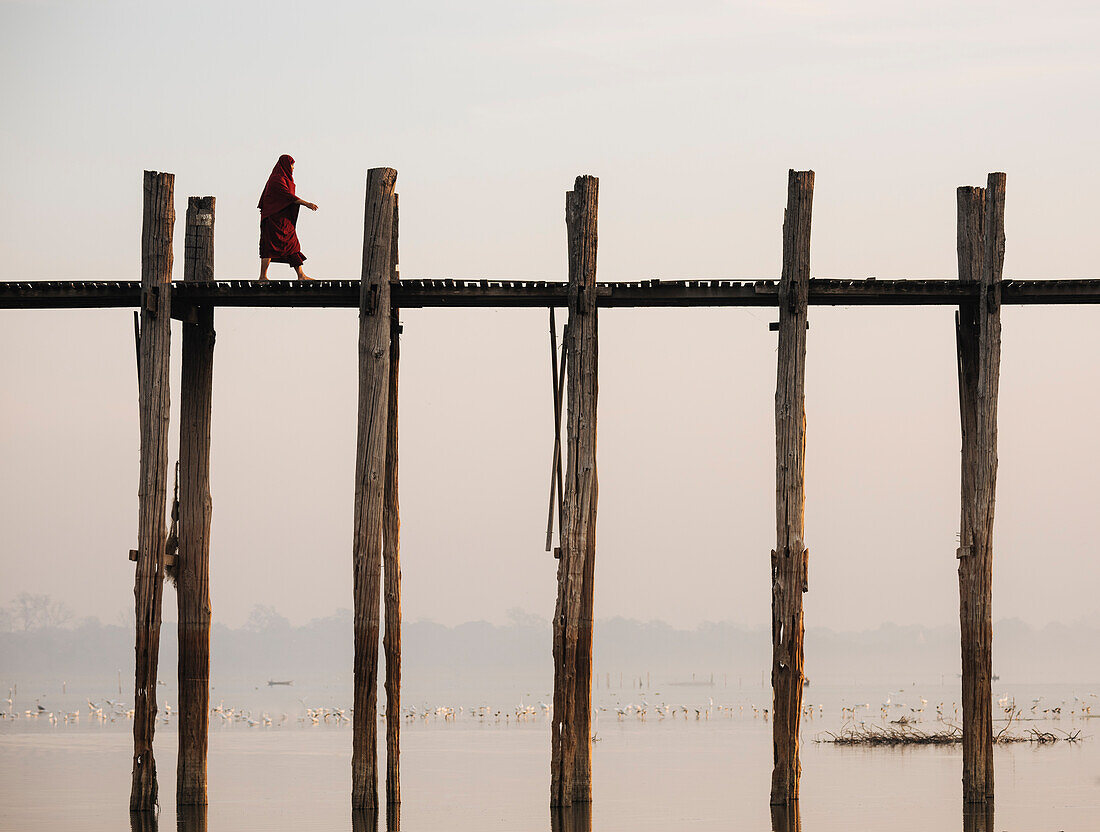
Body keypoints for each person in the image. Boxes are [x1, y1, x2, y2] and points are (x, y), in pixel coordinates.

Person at [258, 154, 318, 280]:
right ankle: (263, 276)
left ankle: (301, 275)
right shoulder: (276, 179)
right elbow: (287, 197)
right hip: (273, 219)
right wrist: (307, 204)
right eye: (291, 165)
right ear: (285, 165)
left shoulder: (285, 179)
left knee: (293, 245)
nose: (293, 168)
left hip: (284, 220)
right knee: (269, 246)